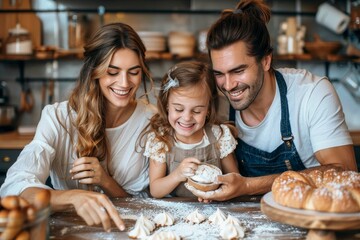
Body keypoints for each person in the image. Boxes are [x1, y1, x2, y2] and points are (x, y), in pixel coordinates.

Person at [186, 0, 357, 201]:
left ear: (266, 60)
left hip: (305, 216)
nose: (229, 85)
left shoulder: (312, 93)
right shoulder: (214, 105)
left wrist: (248, 186)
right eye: (219, 74)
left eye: (238, 71)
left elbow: (344, 174)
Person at [0, 22, 157, 231]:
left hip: (129, 231)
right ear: (94, 72)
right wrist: (72, 197)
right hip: (70, 233)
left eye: (134, 72)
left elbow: (149, 204)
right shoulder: (58, 118)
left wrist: (106, 181)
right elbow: (14, 188)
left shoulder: (151, 120)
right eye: (112, 72)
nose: (124, 83)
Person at [139, 61, 239, 198]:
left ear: (208, 109)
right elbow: (156, 190)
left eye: (197, 111)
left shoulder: (219, 136)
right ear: (167, 105)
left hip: (214, 211)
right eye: (178, 109)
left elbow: (234, 181)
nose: (186, 118)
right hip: (173, 213)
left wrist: (215, 192)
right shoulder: (160, 141)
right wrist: (178, 174)